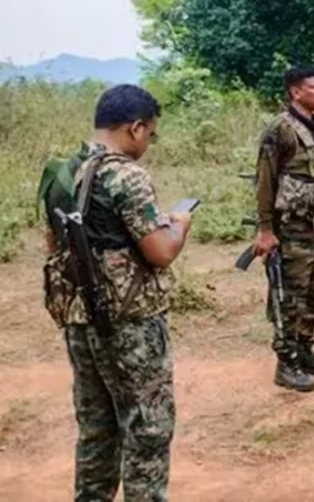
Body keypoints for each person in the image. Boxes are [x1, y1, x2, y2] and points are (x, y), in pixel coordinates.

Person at [39, 84, 191, 501]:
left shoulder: (61, 172)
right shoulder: (126, 174)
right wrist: (179, 225)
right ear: (136, 128)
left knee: (97, 428)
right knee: (148, 427)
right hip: (131, 325)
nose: (148, 143)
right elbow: (160, 252)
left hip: (79, 320)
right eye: (151, 133)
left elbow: (54, 246)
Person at [254, 65, 314, 392]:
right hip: (290, 228)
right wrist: (265, 229)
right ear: (296, 92)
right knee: (289, 295)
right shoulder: (280, 129)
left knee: (313, 291)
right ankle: (285, 363)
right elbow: (265, 182)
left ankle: (304, 351)